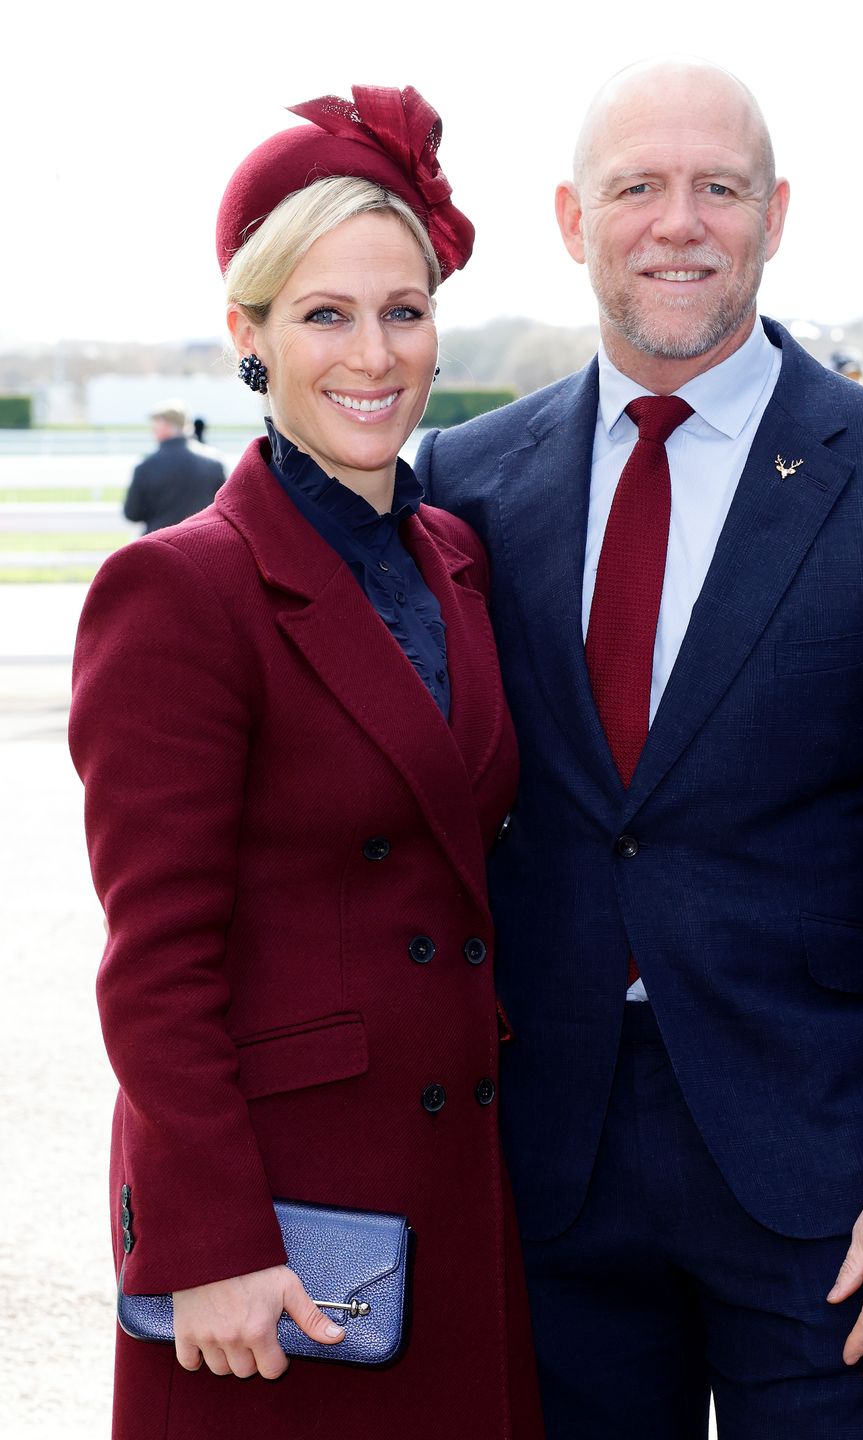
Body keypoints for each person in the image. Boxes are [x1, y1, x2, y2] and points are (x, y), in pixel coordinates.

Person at [415, 59, 863, 1438]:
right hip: (542, 1158)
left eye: (719, 188)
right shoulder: (466, 483)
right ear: (574, 220)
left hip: (822, 1176)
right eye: (638, 187)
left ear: (776, 215)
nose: (677, 222)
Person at [69, 85, 543, 1440]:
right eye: (325, 315)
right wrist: (207, 1240)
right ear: (251, 338)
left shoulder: (452, 558)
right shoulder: (179, 590)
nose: (373, 353)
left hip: (453, 1192)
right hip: (279, 1232)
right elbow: (154, 962)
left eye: (404, 310)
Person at [123, 400, 227, 532]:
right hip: (204, 542)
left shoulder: (146, 466)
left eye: (155, 424)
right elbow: (223, 506)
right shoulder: (214, 462)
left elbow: (132, 513)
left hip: (160, 543)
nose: (153, 429)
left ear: (165, 426)